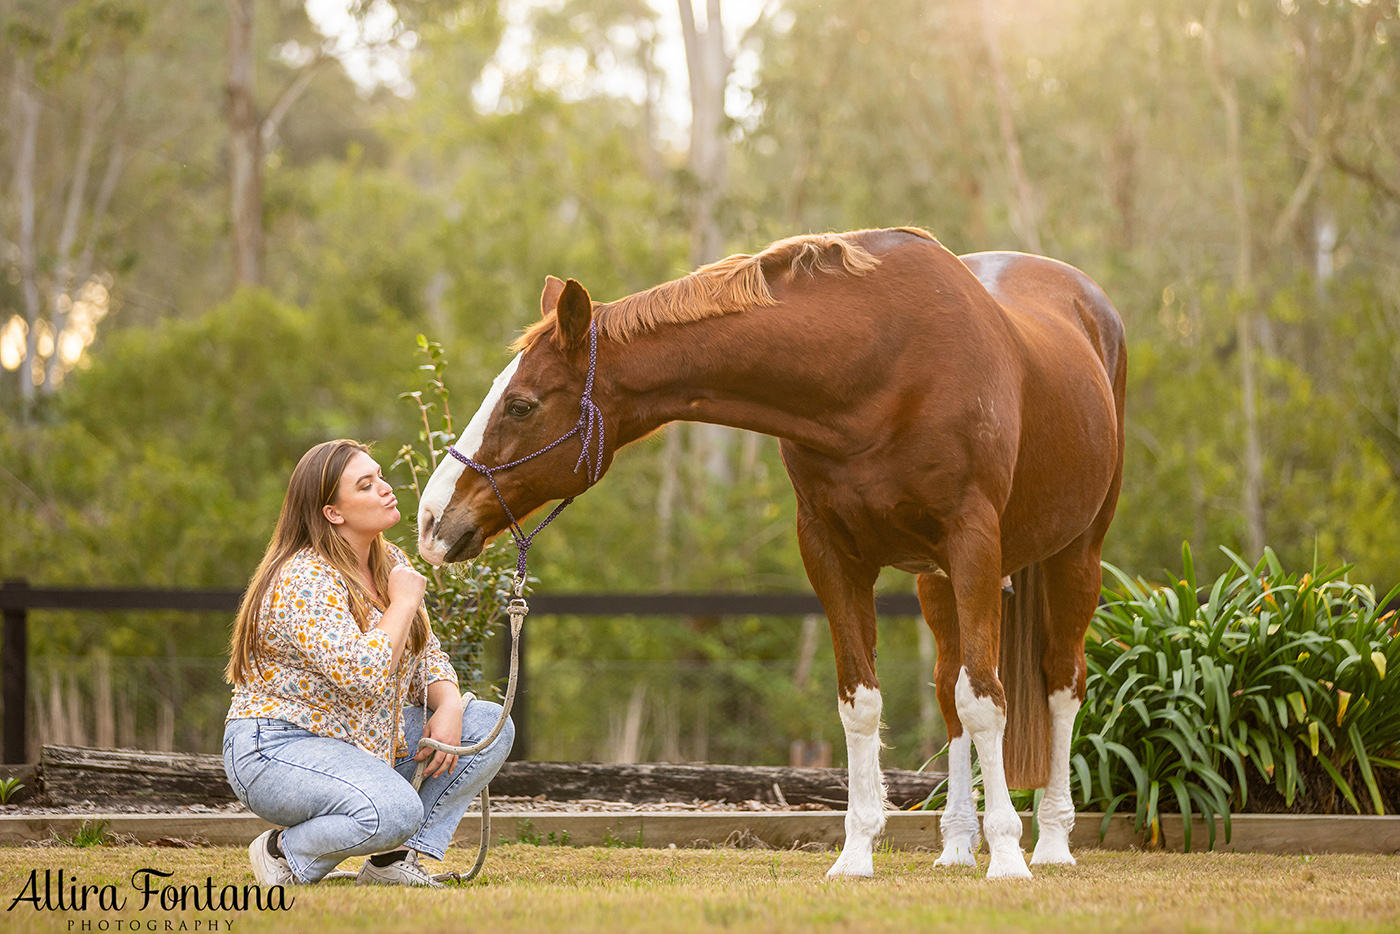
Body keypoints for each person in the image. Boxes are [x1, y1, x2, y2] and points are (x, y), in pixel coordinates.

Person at [222, 439, 513, 887]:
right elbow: (363, 677)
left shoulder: (390, 562)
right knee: (392, 811)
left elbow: (426, 653)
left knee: (488, 726)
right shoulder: (305, 578)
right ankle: (284, 851)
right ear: (333, 513)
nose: (385, 488)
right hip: (279, 747)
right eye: (365, 485)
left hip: (365, 742)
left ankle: (390, 862)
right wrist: (403, 602)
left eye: (379, 476)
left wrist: (450, 705)